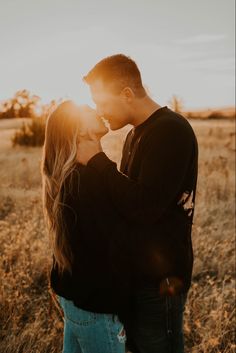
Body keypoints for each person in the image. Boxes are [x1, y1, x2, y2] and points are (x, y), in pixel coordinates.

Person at [77, 54, 199, 353]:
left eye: (103, 103)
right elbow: (126, 198)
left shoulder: (170, 131)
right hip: (137, 274)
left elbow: (144, 207)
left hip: (161, 280)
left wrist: (97, 160)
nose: (100, 112)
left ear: (127, 94)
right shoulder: (136, 134)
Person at [41, 101, 127, 353]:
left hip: (76, 299)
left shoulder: (73, 176)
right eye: (89, 110)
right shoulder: (85, 180)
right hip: (96, 306)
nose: (97, 109)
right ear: (80, 130)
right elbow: (111, 245)